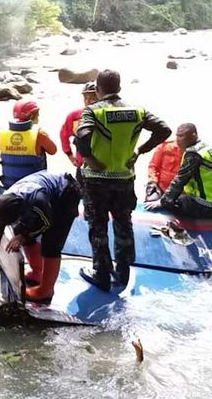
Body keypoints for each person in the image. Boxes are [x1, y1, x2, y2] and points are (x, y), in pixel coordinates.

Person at [76, 69, 171, 290]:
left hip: (96, 180)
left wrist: (90, 159)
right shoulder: (138, 111)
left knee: (97, 226)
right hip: (124, 178)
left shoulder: (93, 112)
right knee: (123, 223)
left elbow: (81, 138)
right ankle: (123, 273)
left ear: (98, 90)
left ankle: (101, 273)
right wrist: (140, 150)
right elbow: (164, 130)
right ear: (119, 88)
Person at [0, 171, 81, 303]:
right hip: (41, 196)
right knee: (20, 229)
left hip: (66, 192)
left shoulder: (37, 200)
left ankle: (46, 291)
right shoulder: (3, 203)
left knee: (51, 243)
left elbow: (46, 222)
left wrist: (24, 237)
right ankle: (37, 272)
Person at [146, 124, 212, 219]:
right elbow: (153, 166)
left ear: (193, 135)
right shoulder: (206, 148)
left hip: (205, 205)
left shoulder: (193, 154)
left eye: (181, 136)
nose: (178, 139)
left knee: (167, 204)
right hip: (202, 199)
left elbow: (180, 180)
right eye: (177, 135)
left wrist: (163, 202)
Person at [0, 100, 57, 189]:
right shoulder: (39, 134)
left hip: (9, 186)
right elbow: (53, 151)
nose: (39, 115)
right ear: (31, 115)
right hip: (33, 187)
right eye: (37, 113)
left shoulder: (2, 135)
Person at [60, 82, 98, 177]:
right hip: (82, 167)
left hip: (103, 166)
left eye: (92, 98)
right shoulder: (74, 116)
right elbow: (64, 135)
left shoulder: (104, 116)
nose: (88, 101)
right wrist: (70, 155)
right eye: (86, 98)